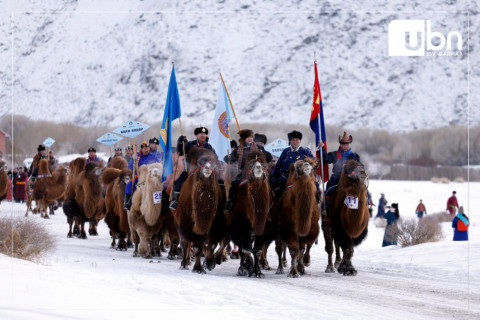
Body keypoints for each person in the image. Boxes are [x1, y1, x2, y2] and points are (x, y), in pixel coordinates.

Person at [169, 126, 217, 210]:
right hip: (190, 170)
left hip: (206, 171)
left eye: (204, 134)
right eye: (201, 134)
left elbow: (215, 158)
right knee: (178, 182)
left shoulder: (209, 147)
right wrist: (180, 142)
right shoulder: (190, 144)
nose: (203, 135)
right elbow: (180, 152)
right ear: (196, 135)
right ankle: (175, 201)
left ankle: (221, 202)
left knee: (219, 182)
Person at [271, 130, 314, 197]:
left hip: (301, 177)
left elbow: (313, 162)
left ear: (300, 141)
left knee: (315, 190)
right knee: (276, 190)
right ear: (290, 141)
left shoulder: (305, 151)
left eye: (297, 140)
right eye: (293, 140)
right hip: (286, 177)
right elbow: (278, 166)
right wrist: (273, 177)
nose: (295, 142)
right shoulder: (286, 151)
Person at [124, 140, 159, 210]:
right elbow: (130, 167)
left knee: (158, 186)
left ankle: (158, 202)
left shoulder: (153, 157)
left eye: (147, 148)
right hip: (139, 177)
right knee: (129, 184)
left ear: (149, 149)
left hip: (150, 177)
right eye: (144, 148)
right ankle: (127, 202)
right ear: (141, 149)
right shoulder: (137, 157)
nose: (146, 150)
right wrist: (133, 160)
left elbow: (157, 166)